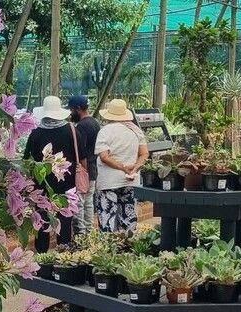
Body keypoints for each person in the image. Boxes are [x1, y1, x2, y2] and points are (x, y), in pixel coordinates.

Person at [24, 95, 86, 252]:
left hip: (42, 187)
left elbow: (27, 161)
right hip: (67, 187)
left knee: (42, 222)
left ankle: (42, 259)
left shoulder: (35, 133)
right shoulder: (72, 131)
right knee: (65, 222)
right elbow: (82, 158)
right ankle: (62, 259)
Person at [94, 98, 149, 233]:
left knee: (107, 219)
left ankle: (108, 250)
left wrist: (122, 167)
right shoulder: (136, 131)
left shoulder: (105, 131)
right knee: (128, 218)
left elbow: (104, 157)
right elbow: (144, 154)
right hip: (130, 180)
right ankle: (127, 249)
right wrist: (134, 168)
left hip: (108, 182)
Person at [68, 95, 100, 235]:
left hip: (84, 169)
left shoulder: (81, 126)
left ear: (78, 109)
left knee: (79, 203)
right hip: (93, 169)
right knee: (88, 203)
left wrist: (83, 170)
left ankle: (80, 234)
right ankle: (89, 232)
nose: (70, 113)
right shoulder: (95, 122)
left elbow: (81, 152)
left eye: (71, 110)